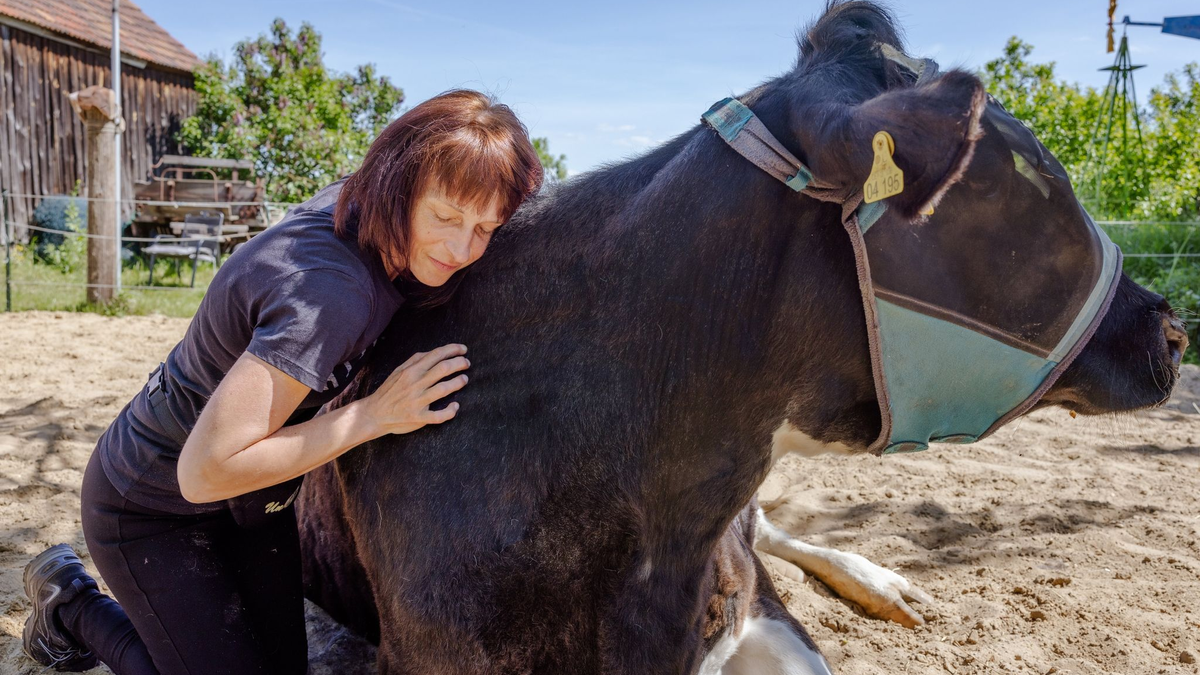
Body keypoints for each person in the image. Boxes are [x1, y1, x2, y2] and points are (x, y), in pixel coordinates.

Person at [22, 89, 544, 674]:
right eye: (446, 217)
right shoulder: (331, 296)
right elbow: (204, 472)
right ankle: (70, 603)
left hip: (258, 497)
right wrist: (370, 417)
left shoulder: (362, 206)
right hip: (153, 503)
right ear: (398, 186)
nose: (461, 248)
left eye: (486, 228)